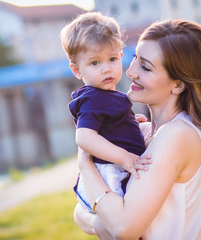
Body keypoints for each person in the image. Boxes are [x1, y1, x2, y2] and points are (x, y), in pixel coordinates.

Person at [74, 19, 201, 239]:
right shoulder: (148, 132)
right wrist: (100, 222)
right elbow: (80, 211)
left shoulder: (178, 135)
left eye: (146, 66)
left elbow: (122, 228)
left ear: (178, 84)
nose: (131, 72)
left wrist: (85, 164)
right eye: (134, 58)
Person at [60, 12, 147, 213]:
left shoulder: (106, 96)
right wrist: (124, 157)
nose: (106, 69)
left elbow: (105, 125)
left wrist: (128, 122)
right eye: (95, 63)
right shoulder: (93, 99)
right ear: (77, 70)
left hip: (118, 169)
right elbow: (84, 137)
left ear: (121, 56)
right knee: (125, 218)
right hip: (110, 173)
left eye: (112, 59)